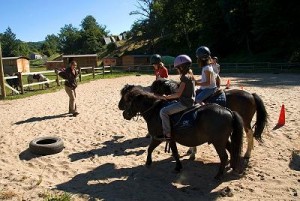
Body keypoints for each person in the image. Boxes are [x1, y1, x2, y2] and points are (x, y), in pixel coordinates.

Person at [157, 55, 195, 141]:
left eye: (177, 68)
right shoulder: (191, 75)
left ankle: (167, 134)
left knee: (163, 111)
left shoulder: (184, 78)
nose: (177, 70)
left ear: (181, 67)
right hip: (192, 100)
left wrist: (166, 97)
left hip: (185, 103)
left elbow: (178, 94)